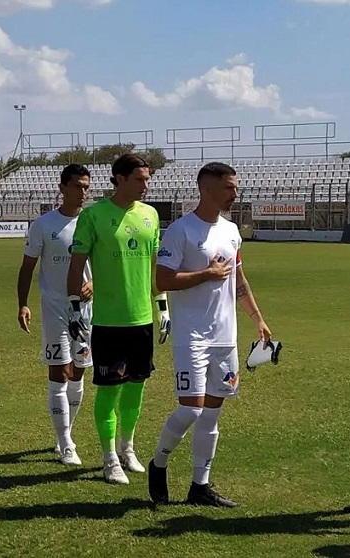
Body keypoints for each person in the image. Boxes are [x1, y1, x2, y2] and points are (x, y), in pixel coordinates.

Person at [148, 162, 272, 507]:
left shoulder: (231, 231)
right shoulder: (180, 231)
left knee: (213, 413)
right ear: (207, 189)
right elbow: (163, 280)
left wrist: (258, 320)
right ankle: (158, 463)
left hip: (225, 337)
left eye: (235, 187)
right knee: (191, 409)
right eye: (229, 187)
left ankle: (199, 486)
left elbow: (239, 280)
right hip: (192, 336)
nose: (235, 193)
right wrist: (206, 273)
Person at [66, 153, 170, 485]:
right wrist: (73, 308)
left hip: (142, 320)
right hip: (109, 322)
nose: (145, 185)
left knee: (136, 387)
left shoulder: (150, 215)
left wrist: (163, 308)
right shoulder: (94, 215)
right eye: (139, 179)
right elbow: (75, 266)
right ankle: (109, 457)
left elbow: (154, 268)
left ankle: (127, 447)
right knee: (110, 389)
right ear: (119, 179)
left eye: (148, 179)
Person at [17, 164, 94, 466]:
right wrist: (23, 304)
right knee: (59, 372)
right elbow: (27, 267)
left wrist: (94, 284)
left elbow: (104, 264)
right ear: (62, 188)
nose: (82, 192)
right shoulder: (44, 224)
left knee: (78, 372)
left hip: (85, 311)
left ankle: (66, 433)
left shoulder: (93, 222)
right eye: (77, 185)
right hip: (54, 308)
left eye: (86, 186)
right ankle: (65, 443)